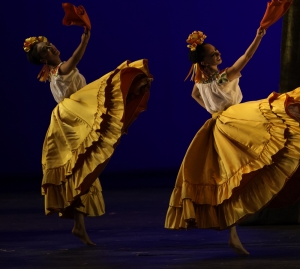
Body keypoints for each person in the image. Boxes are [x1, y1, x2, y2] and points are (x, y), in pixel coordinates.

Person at [165, 28, 300, 255]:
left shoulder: (200, 81)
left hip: (219, 125)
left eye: (217, 52)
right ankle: (234, 234)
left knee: (229, 177)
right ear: (204, 63)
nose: (218, 55)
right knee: (273, 117)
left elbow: (195, 96)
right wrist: (259, 36)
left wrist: (212, 112)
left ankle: (233, 234)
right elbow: (246, 59)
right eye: (212, 54)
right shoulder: (221, 77)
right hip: (234, 121)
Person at [24, 29, 153, 246]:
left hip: (72, 117)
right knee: (82, 166)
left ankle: (79, 226)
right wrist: (84, 41)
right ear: (42, 59)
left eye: (49, 44)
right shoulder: (61, 70)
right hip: (72, 120)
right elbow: (75, 59)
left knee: (82, 170)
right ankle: (79, 225)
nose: (50, 47)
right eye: (45, 49)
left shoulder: (59, 71)